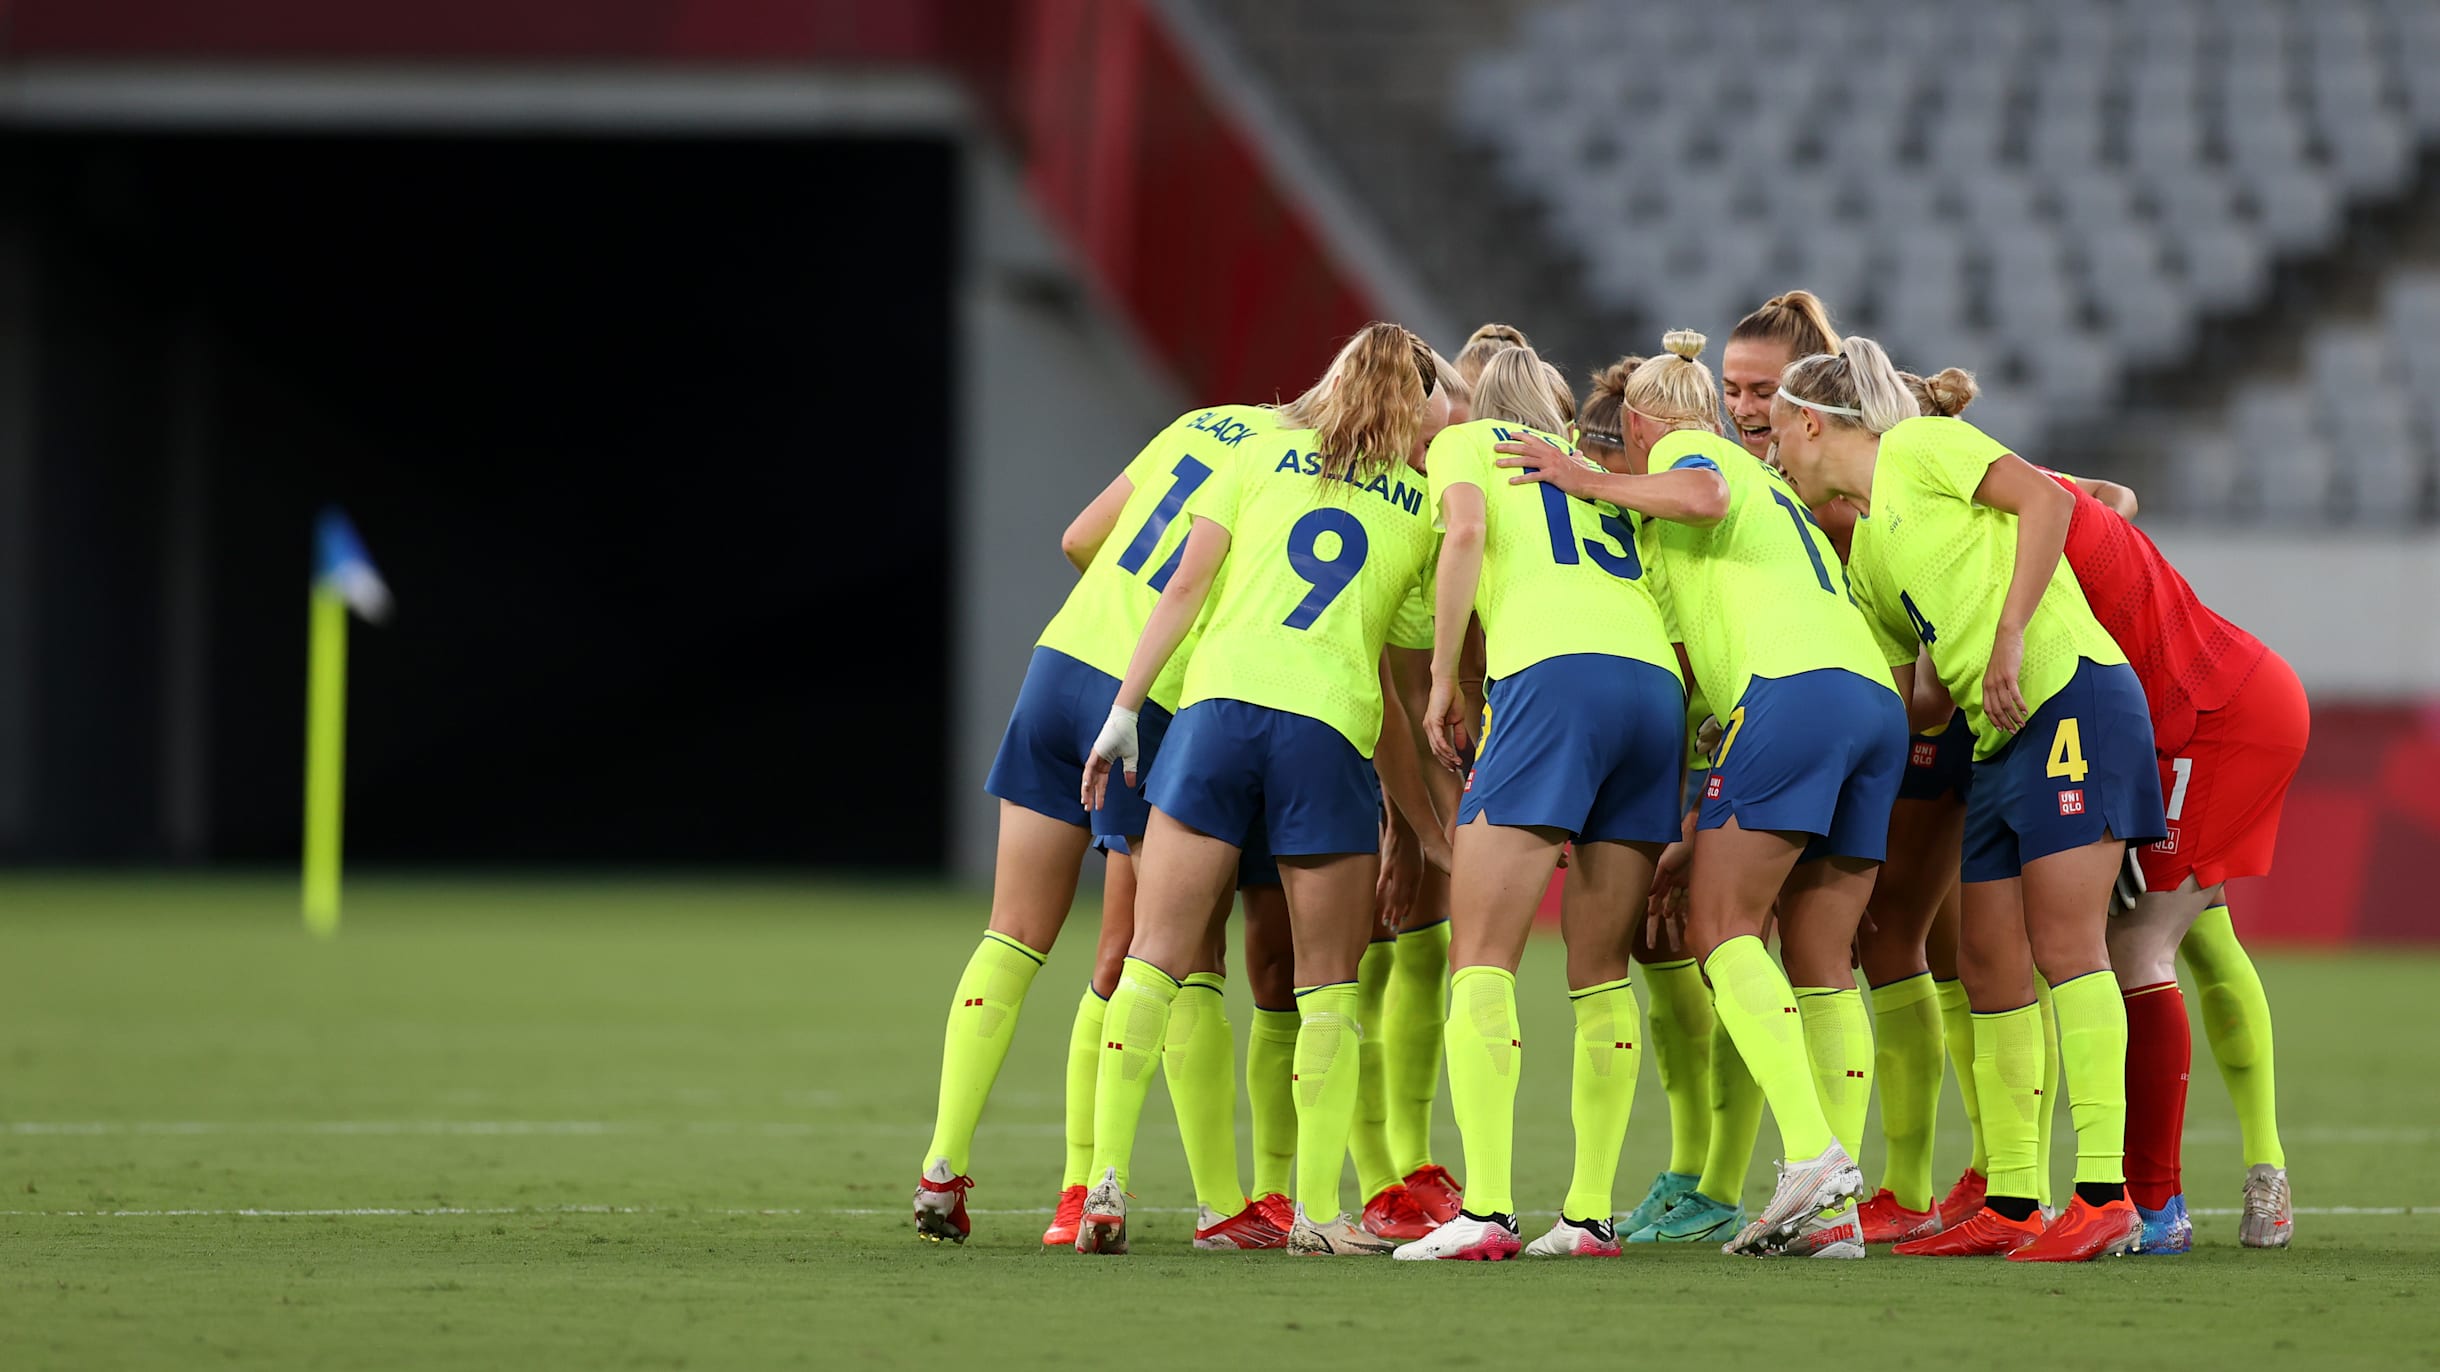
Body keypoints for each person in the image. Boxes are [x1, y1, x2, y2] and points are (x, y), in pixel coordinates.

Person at [1501, 330, 1908, 1260]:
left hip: (1793, 693)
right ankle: (1834, 1213)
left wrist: (1583, 479)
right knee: (1819, 959)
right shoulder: (1768, 495)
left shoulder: (1695, 452)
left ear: (1642, 422)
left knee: (1718, 929)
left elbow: (1701, 490)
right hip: (1867, 704)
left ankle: (1808, 1157)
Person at [1770, 338, 2165, 1262]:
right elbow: (1922, 699)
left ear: (1813, 424)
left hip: (2068, 692)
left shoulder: (1919, 448)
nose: (1771, 451)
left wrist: (2011, 634)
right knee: (1990, 966)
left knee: (2068, 947)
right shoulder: (1868, 551)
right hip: (1996, 739)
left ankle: (2104, 1196)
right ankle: (2017, 1203)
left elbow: (2050, 500)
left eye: (1776, 431)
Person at [1908, 368, 2306, 1252]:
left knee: (2135, 945)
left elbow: (2085, 507)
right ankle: (2261, 1163)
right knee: (2203, 935)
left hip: (2207, 715)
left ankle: (2155, 1206)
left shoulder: (1990, 512)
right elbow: (2111, 493)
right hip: (2187, 708)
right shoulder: (1994, 500)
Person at [1075, 322, 1451, 1256]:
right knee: (1329, 991)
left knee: (1155, 960)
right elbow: (1401, 690)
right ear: (1414, 408)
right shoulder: (1419, 506)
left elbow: (1183, 590)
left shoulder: (1256, 457)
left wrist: (1123, 712)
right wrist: (1425, 825)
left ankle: (1105, 1185)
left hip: (1212, 721)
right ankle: (1316, 1213)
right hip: (1323, 733)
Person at [913, 401, 1288, 1246]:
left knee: (1012, 934)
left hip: (1059, 666)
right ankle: (1195, 1201)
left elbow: (1080, 537)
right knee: (1175, 954)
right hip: (1148, 697)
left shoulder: (1205, 424)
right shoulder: (1298, 465)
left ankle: (943, 1166)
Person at [1388, 346, 1685, 1261]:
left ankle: (1485, 1210)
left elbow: (1467, 537)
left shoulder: (1467, 442)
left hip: (1554, 682)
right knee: (1601, 973)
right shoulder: (1592, 470)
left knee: (1480, 959)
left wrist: (1443, 679)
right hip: (1653, 691)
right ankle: (1590, 1215)